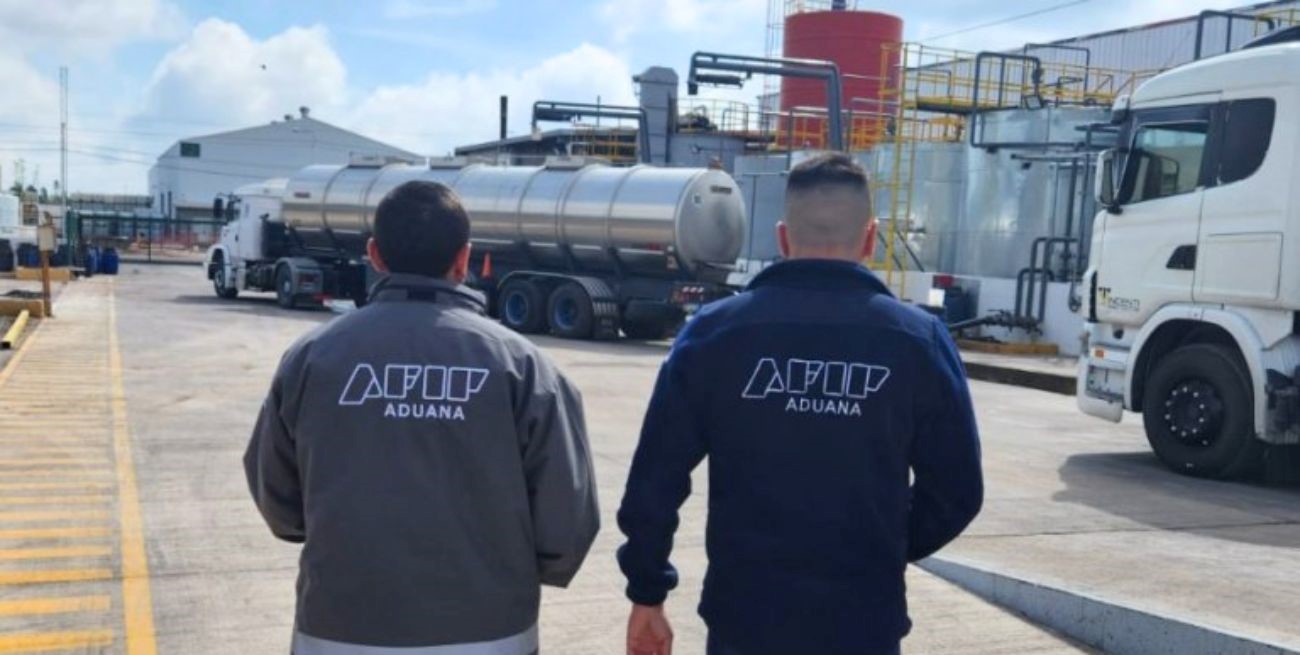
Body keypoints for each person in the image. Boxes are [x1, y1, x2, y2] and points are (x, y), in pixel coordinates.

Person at [616, 153, 983, 655]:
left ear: (783, 238)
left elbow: (655, 479)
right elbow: (957, 491)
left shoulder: (715, 335)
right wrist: (884, 546)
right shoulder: (918, 342)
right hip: (862, 621)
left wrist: (647, 593)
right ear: (870, 238)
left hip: (746, 618)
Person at [245, 180, 600, 655]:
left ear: (374, 254)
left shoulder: (312, 358)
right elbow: (566, 517)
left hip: (340, 629)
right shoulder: (523, 367)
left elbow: (277, 497)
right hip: (488, 633)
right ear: (464, 258)